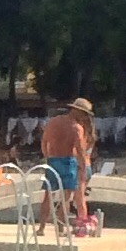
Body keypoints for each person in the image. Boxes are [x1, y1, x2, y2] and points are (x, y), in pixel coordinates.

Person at [36, 99, 96, 235]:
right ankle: (61, 228)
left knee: (48, 196)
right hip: (68, 161)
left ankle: (41, 228)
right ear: (77, 111)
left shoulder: (53, 122)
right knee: (66, 197)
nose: (84, 117)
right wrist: (83, 168)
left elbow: (44, 141)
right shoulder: (76, 128)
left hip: (53, 160)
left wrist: (47, 156)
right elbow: (80, 151)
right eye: (84, 114)